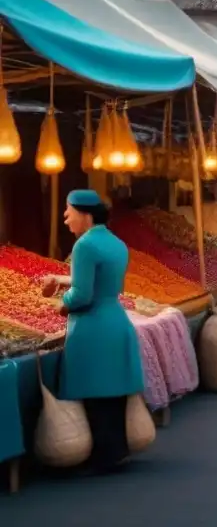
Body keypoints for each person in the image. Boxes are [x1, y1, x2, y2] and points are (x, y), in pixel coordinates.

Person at [40, 190, 144, 474]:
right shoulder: (116, 243)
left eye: (68, 211)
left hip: (93, 326)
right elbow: (104, 282)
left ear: (84, 214)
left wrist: (61, 304)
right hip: (115, 320)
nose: (65, 218)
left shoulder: (84, 245)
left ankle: (102, 457)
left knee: (96, 394)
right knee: (113, 394)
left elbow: (83, 295)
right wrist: (62, 279)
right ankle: (118, 451)